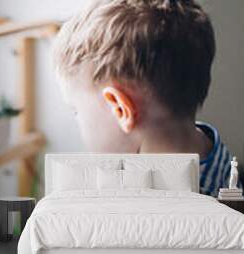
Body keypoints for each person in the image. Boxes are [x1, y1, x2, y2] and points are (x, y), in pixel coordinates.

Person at [53, 0, 234, 196]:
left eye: (76, 111)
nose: (77, 119)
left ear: (120, 109)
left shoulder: (164, 206)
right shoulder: (215, 155)